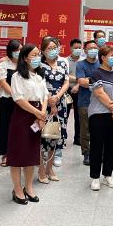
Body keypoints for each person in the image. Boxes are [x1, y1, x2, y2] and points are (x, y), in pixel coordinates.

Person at [8, 44, 49, 205]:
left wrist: (42, 114)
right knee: (18, 153)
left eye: (39, 54)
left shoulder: (39, 75)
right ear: (25, 58)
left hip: (38, 115)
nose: (38, 57)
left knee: (32, 153)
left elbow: (45, 96)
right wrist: (37, 113)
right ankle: (17, 189)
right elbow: (19, 99)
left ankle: (29, 187)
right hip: (23, 116)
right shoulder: (17, 76)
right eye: (34, 55)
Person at [88, 46, 113, 191]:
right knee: (97, 146)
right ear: (103, 58)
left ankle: (107, 175)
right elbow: (99, 93)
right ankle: (95, 177)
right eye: (111, 55)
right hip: (99, 114)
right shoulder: (96, 73)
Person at [38, 37, 69, 183]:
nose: (52, 50)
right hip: (44, 103)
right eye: (49, 48)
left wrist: (57, 97)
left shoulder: (63, 62)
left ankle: (49, 168)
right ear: (43, 50)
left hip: (60, 103)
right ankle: (40, 169)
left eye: (54, 47)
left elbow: (66, 82)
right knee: (41, 137)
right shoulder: (39, 64)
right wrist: (51, 101)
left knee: (55, 135)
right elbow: (40, 84)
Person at [0, 39, 21, 166]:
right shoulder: (4, 63)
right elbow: (3, 82)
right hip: (8, 99)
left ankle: (18, 153)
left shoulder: (24, 64)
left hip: (23, 100)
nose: (19, 52)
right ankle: (5, 154)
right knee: (6, 127)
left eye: (20, 49)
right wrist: (14, 95)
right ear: (10, 51)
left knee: (19, 127)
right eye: (16, 50)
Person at [76, 40, 100, 165]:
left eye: (95, 47)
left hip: (101, 102)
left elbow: (106, 81)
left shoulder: (102, 63)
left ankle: (97, 152)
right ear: (85, 50)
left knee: (99, 129)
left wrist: (88, 80)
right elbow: (81, 82)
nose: (93, 50)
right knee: (85, 129)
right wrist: (97, 81)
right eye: (90, 48)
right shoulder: (81, 65)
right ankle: (86, 153)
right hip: (85, 101)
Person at [67, 38, 83, 146]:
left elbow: (86, 77)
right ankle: (62, 137)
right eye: (75, 48)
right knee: (65, 114)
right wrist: (78, 79)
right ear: (71, 48)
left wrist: (78, 84)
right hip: (67, 90)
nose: (78, 49)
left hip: (80, 89)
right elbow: (64, 75)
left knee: (79, 116)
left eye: (79, 48)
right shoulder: (65, 61)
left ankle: (78, 138)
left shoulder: (83, 61)